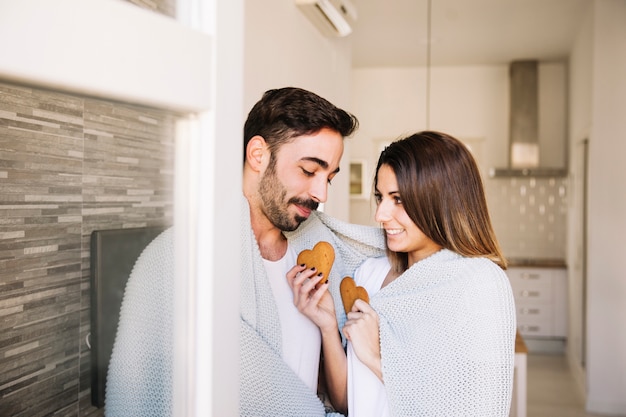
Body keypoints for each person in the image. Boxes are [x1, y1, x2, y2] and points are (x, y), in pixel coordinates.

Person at [105, 87, 385, 417]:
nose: (320, 192)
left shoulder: (318, 246)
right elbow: (139, 394)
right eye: (309, 171)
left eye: (329, 178)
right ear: (257, 154)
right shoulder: (178, 261)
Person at [289, 131, 516, 416]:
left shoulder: (478, 287)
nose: (381, 215)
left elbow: (469, 407)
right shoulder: (369, 275)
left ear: (440, 202)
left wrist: (375, 355)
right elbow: (347, 402)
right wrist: (327, 326)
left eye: (398, 199)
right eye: (380, 197)